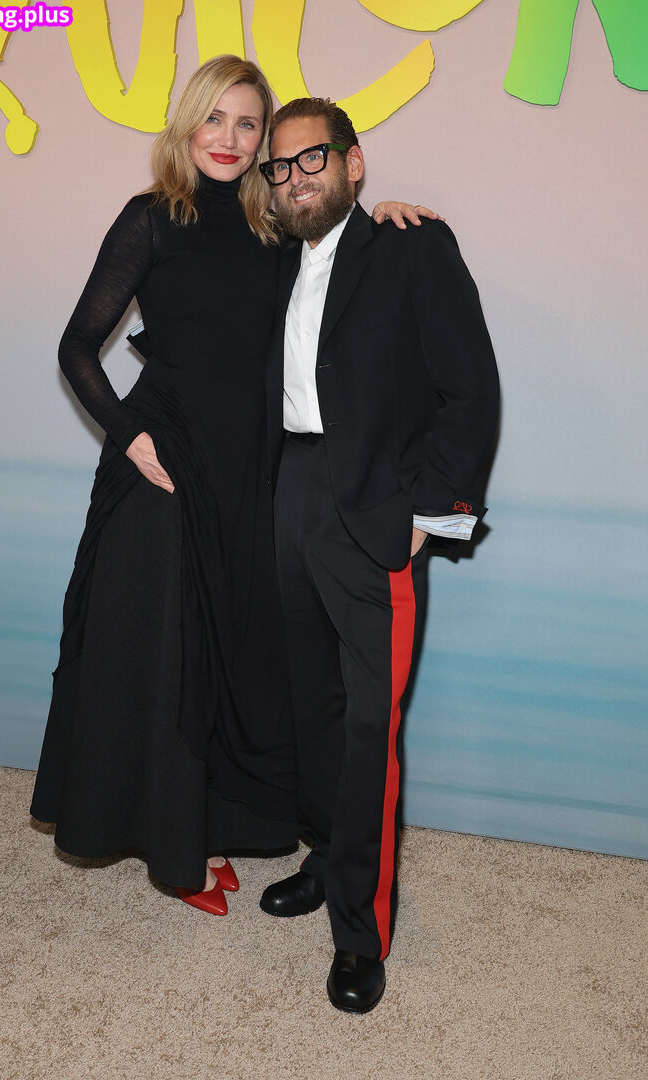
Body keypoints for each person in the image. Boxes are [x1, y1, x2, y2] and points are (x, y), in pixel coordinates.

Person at [30, 56, 436, 918]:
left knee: (228, 660)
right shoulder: (151, 218)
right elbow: (76, 346)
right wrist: (130, 436)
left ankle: (212, 827)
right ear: (187, 126)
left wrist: (387, 217)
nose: (229, 138)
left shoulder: (274, 228)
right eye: (214, 118)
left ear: (263, 145)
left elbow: (337, 253)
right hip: (164, 468)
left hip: (252, 475)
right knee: (166, 660)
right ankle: (179, 852)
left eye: (247, 124)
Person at [258, 98, 500, 1010]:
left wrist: (429, 514)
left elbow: (470, 390)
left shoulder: (412, 247)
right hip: (288, 492)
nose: (295, 178)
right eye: (280, 167)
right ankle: (327, 855)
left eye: (312, 158)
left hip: (373, 512)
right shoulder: (270, 259)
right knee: (310, 703)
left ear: (354, 164)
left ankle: (361, 933)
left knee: (369, 727)